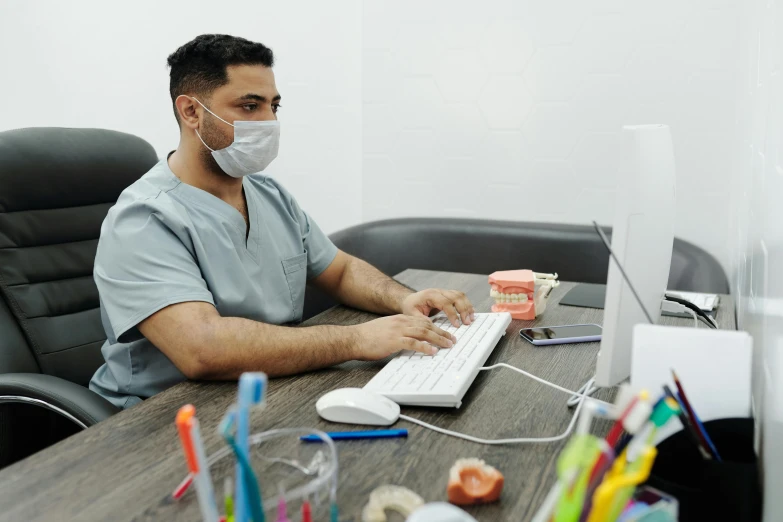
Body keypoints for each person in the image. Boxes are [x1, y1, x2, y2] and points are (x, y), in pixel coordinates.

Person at [89, 34, 476, 409]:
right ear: (191, 111)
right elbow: (202, 349)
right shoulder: (144, 219)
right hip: (163, 415)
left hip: (267, 388)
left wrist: (404, 299)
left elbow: (339, 271)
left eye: (274, 106)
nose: (268, 121)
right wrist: (356, 340)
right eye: (249, 106)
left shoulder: (268, 194)